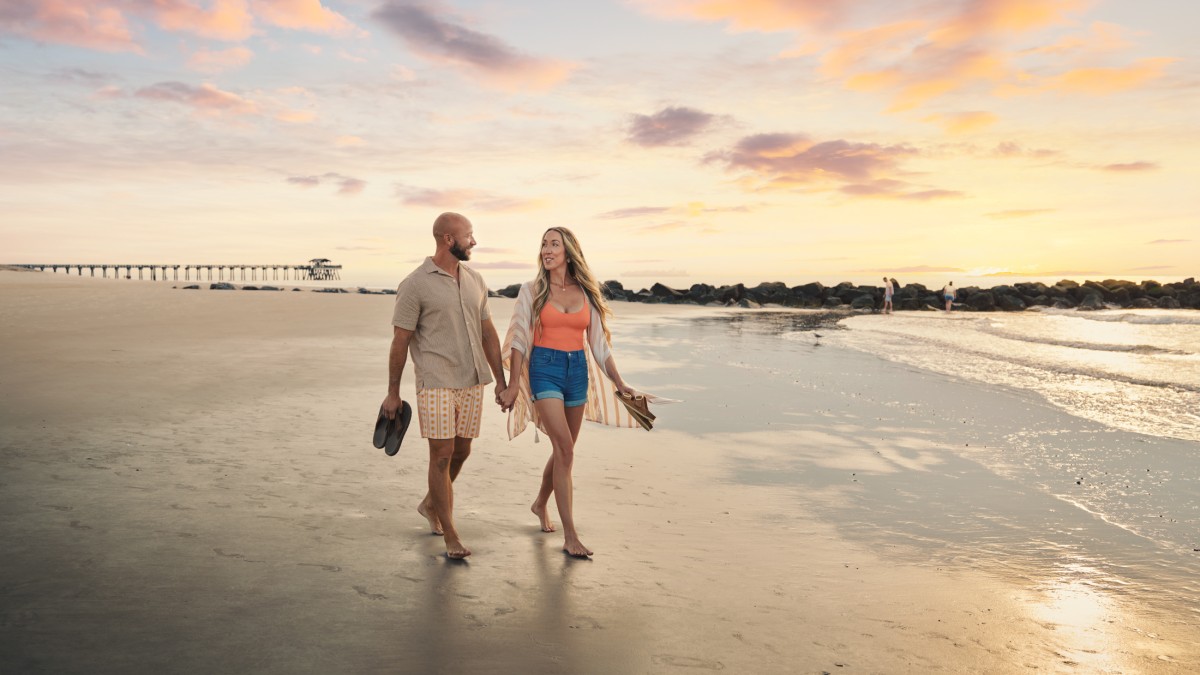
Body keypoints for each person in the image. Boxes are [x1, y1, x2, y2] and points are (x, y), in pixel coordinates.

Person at [498, 227, 653, 558]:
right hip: (545, 369)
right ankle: (570, 536)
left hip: (577, 372)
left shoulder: (586, 292)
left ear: (569, 251)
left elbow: (598, 345)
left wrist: (619, 382)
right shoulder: (532, 291)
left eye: (554, 243)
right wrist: (513, 385)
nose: (547, 249)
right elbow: (520, 340)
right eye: (543, 243)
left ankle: (541, 502)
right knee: (566, 448)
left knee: (563, 450)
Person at [381, 212, 507, 559]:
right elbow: (400, 341)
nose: (474, 241)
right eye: (469, 235)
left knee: (462, 451)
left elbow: (488, 333)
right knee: (441, 456)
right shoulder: (415, 284)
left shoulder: (475, 280)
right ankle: (449, 532)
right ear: (449, 240)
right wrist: (393, 392)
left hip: (471, 380)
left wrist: (501, 382)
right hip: (435, 380)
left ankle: (429, 503)